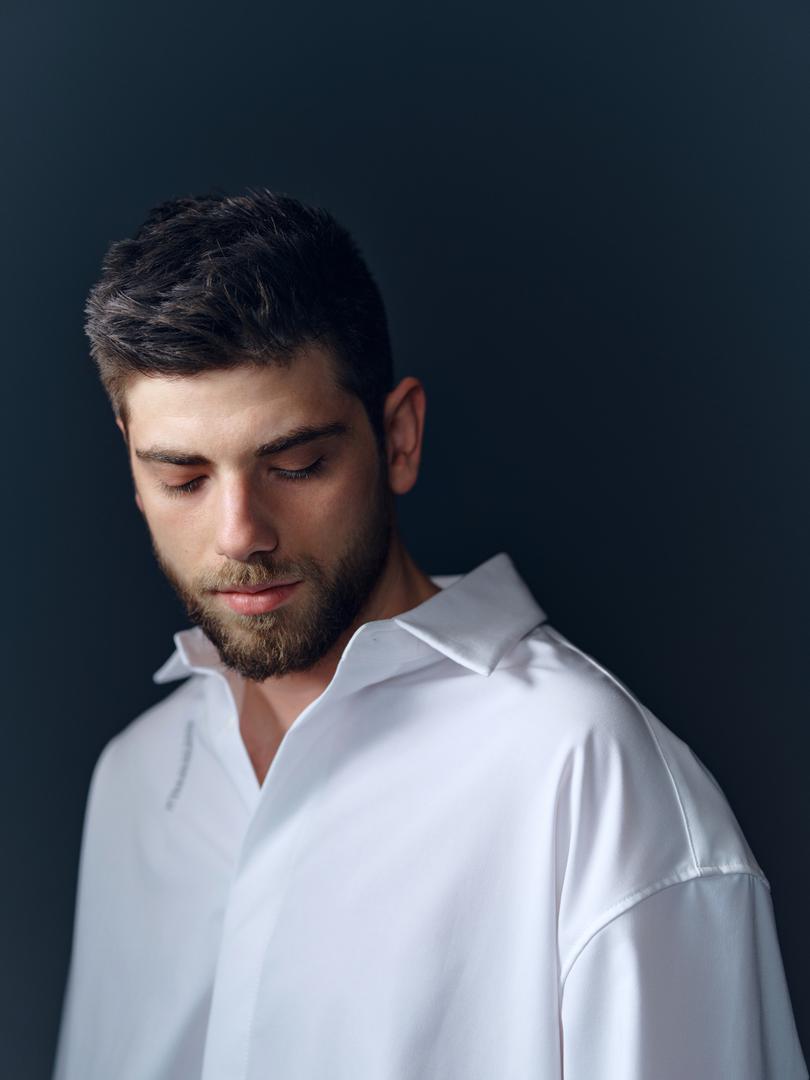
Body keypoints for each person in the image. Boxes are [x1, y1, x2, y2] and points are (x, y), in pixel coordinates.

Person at [53, 187, 807, 1080]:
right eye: (183, 479)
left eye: (296, 465)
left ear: (399, 437)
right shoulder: (137, 782)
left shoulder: (585, 774)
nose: (239, 534)